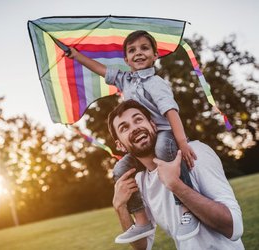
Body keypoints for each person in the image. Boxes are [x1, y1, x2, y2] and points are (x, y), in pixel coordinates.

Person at [66, 30, 198, 243]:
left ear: (155, 55)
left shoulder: (156, 83)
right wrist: (76, 56)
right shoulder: (125, 80)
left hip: (165, 133)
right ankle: (142, 221)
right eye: (132, 50)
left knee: (164, 149)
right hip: (143, 140)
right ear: (126, 59)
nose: (138, 53)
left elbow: (171, 112)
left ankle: (186, 209)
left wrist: (182, 141)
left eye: (144, 48)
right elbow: (101, 70)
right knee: (120, 169)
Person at [108, 100, 244, 250]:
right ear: (120, 145)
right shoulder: (139, 182)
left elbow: (234, 228)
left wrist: (176, 185)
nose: (135, 128)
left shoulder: (194, 153)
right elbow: (142, 246)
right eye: (124, 127)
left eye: (138, 119)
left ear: (153, 124)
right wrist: (120, 207)